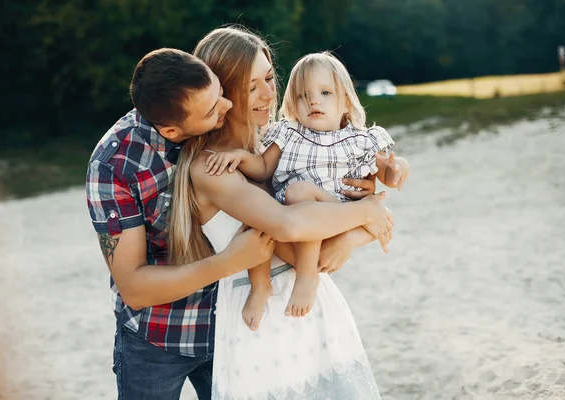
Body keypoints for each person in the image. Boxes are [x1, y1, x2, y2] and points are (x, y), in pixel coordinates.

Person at [86, 45, 387, 398]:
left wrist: (358, 214)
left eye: (269, 78)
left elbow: (317, 230)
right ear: (173, 130)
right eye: (219, 103)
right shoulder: (118, 163)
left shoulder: (273, 140)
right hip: (162, 329)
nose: (226, 106)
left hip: (236, 324)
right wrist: (366, 213)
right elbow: (134, 288)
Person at [168, 26, 388, 399]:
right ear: (219, 93)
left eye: (269, 78)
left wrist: (355, 229)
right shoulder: (210, 166)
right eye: (251, 85)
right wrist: (365, 213)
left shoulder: (286, 142)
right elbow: (289, 229)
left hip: (315, 305)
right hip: (260, 319)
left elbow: (366, 221)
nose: (269, 94)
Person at [205, 52, 410, 321]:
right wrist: (241, 157)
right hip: (294, 218)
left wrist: (395, 171)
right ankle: (260, 287)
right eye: (303, 95)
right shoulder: (289, 133)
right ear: (293, 103)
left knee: (299, 191)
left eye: (325, 92)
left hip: (332, 214)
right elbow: (263, 167)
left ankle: (306, 276)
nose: (313, 100)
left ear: (346, 102)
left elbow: (388, 170)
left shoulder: (359, 139)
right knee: (256, 216)